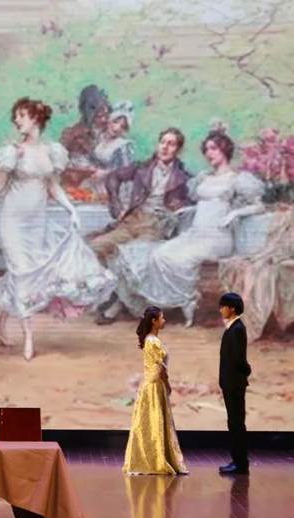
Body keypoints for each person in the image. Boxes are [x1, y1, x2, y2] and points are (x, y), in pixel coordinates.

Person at [0, 98, 115, 360]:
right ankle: (28, 337)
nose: (17, 121)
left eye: (21, 115)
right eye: (16, 116)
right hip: (13, 221)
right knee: (22, 272)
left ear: (36, 118)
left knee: (24, 274)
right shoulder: (13, 152)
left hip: (38, 221)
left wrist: (70, 208)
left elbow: (53, 186)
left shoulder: (51, 151)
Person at [111, 131, 265, 326]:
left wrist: (234, 214)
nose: (209, 153)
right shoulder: (204, 177)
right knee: (158, 254)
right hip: (195, 233)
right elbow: (204, 203)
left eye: (213, 149)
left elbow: (259, 206)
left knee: (178, 259)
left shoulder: (237, 178)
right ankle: (177, 300)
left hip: (218, 237)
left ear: (225, 150)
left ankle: (188, 300)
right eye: (206, 149)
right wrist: (187, 210)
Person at [92, 127, 193, 324]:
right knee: (96, 247)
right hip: (132, 221)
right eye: (162, 142)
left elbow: (191, 204)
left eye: (171, 144)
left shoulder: (183, 178)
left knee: (132, 258)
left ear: (178, 150)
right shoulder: (142, 167)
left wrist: (176, 211)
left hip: (155, 225)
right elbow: (113, 177)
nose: (165, 147)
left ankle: (117, 305)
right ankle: (114, 293)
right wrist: (115, 201)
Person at [122, 306, 188, 475]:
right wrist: (168, 384)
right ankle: (155, 461)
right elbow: (161, 368)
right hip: (154, 385)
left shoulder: (151, 340)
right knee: (153, 422)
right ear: (154, 321)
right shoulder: (153, 341)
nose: (164, 321)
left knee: (152, 422)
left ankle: (157, 458)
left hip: (152, 384)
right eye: (162, 318)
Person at [218, 292, 252, 475]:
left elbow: (239, 359)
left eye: (223, 306)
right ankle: (237, 461)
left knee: (237, 423)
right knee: (234, 422)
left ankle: (240, 463)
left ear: (232, 308)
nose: (220, 310)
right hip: (230, 383)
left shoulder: (237, 329)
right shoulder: (232, 327)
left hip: (234, 384)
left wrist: (246, 371)